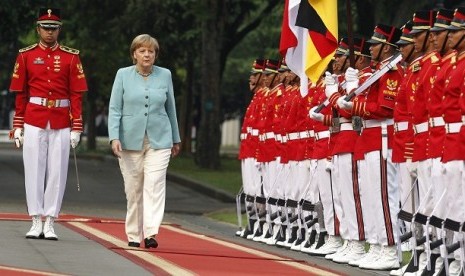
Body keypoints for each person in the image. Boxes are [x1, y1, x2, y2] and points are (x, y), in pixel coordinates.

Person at [9, 8, 88, 240]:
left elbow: (77, 94)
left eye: (53, 28)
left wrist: (77, 127)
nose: (49, 32)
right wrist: (18, 124)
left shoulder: (71, 57)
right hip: (34, 117)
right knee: (33, 169)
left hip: (62, 119)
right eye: (45, 28)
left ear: (59, 29)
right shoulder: (25, 56)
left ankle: (50, 221)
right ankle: (35, 219)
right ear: (38, 29)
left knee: (58, 170)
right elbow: (20, 93)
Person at [108, 34, 181, 249]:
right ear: (134, 54)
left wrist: (175, 139)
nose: (147, 54)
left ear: (156, 55)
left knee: (154, 185)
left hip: (160, 139)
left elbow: (171, 108)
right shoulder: (123, 75)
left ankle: (150, 232)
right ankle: (133, 234)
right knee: (134, 189)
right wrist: (114, 137)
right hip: (129, 140)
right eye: (142, 51)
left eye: (151, 51)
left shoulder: (165, 75)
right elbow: (114, 109)